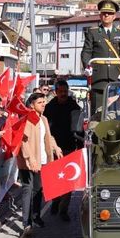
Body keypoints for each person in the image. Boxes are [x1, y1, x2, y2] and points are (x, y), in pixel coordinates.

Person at [17, 92, 63, 238]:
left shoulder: (43, 118)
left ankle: (36, 216)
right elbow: (23, 140)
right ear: (31, 105)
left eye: (44, 102)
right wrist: (30, 159)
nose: (43, 104)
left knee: (38, 190)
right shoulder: (28, 118)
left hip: (42, 160)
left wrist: (56, 147)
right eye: (39, 102)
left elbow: (48, 136)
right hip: (28, 162)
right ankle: (26, 224)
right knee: (27, 189)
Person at [81, 0, 120, 112]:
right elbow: (86, 51)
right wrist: (87, 67)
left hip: (115, 77)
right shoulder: (93, 32)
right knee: (97, 112)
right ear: (100, 15)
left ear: (114, 16)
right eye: (104, 13)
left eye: (109, 13)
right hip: (98, 78)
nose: (106, 15)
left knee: (114, 112)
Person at [44, 80, 82, 221]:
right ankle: (55, 201)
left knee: (68, 181)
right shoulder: (49, 107)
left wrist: (80, 147)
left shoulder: (74, 106)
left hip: (69, 147)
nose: (63, 94)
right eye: (60, 92)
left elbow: (80, 129)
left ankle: (63, 210)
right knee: (54, 179)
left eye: (65, 91)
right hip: (53, 148)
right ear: (56, 92)